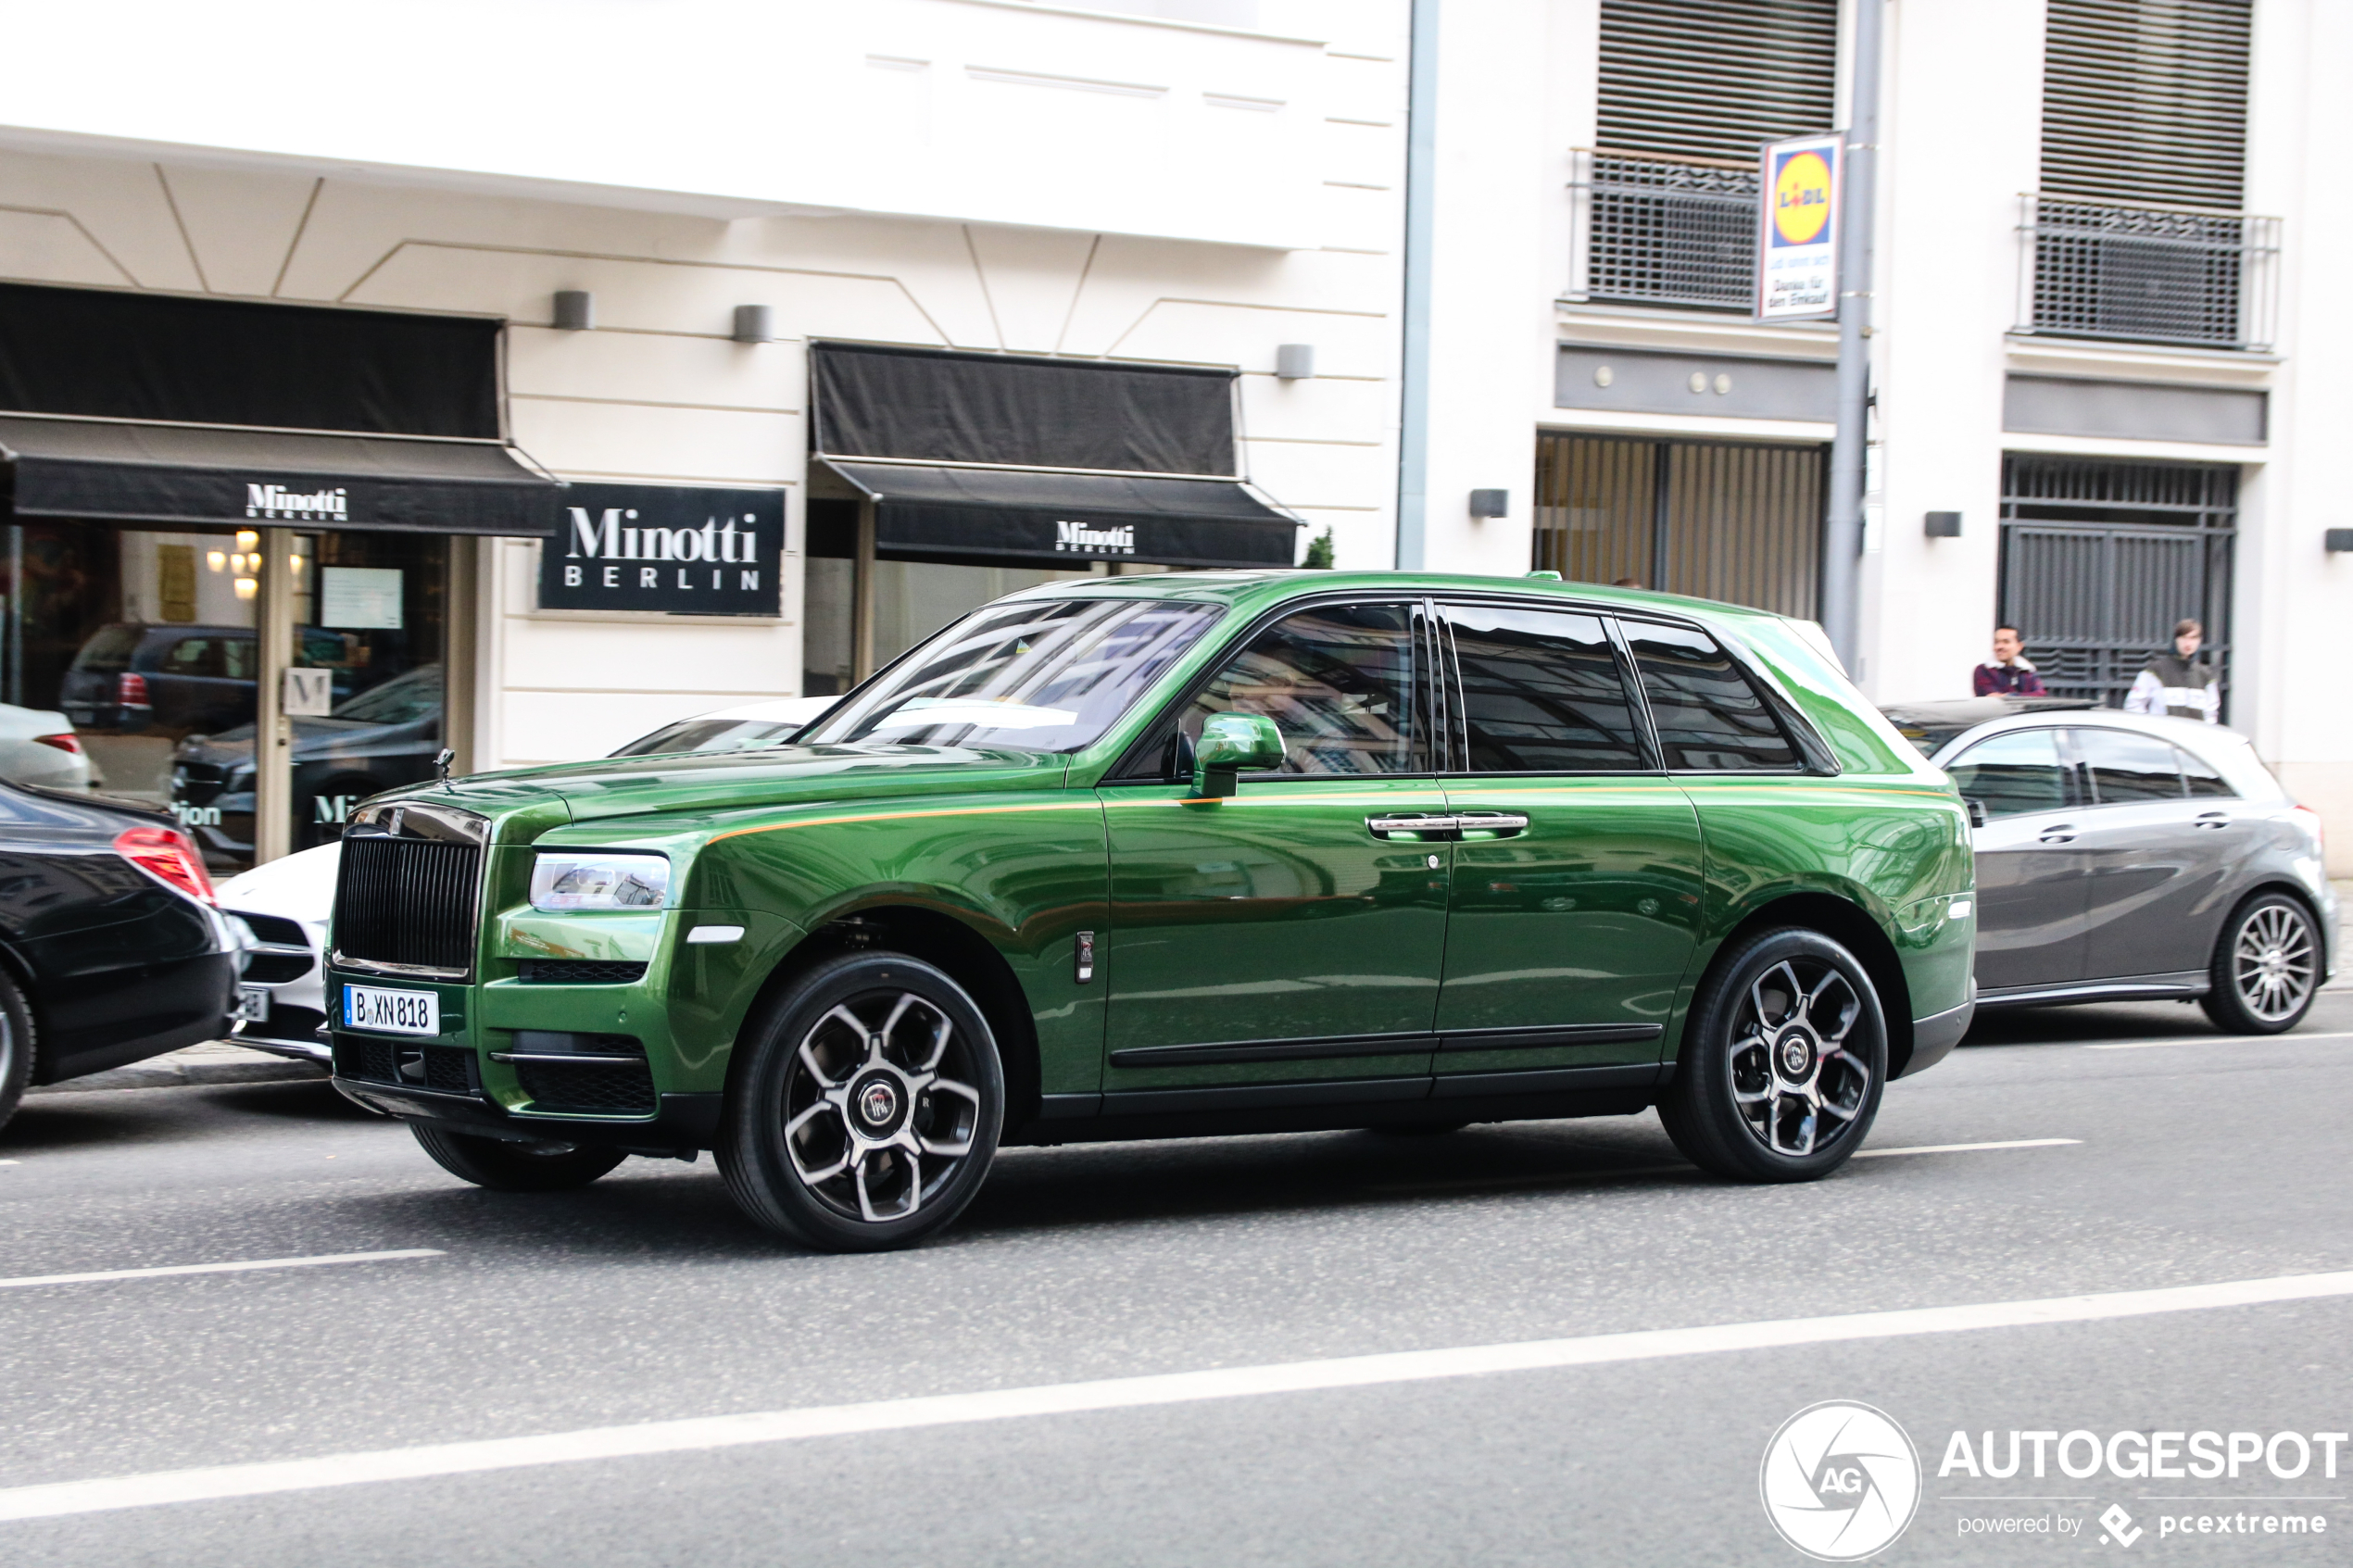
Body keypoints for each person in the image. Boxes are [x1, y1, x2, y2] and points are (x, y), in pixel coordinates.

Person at [2123, 619, 2219, 722]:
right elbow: (2134, 705)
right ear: (2176, 640)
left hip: (2193, 737)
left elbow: (2211, 714)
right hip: (2162, 736)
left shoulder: (2205, 674)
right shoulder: (2156, 670)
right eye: (2183, 637)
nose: (2188, 643)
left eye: (2193, 638)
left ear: (2199, 641)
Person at [1972, 624, 2045, 696]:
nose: (1999, 646)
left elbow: (2040, 694)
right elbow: (1993, 698)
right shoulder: (1984, 670)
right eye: (1996, 642)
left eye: (2006, 642)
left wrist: (2009, 696)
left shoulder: (2028, 671)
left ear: (2019, 646)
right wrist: (2022, 696)